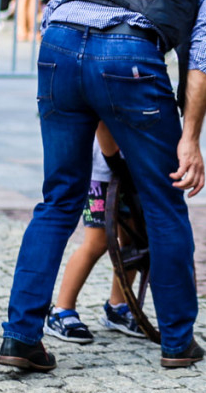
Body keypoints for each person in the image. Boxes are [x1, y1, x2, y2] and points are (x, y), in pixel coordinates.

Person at [0, 0, 206, 372]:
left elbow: (53, 13)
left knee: (57, 200)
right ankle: (178, 340)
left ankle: (20, 338)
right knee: (164, 199)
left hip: (57, 48)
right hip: (130, 55)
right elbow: (205, 48)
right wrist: (192, 137)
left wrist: (89, 85)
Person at [44, 124, 145, 343]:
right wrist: (114, 160)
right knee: (96, 242)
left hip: (131, 169)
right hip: (101, 173)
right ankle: (61, 310)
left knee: (131, 240)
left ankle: (118, 306)